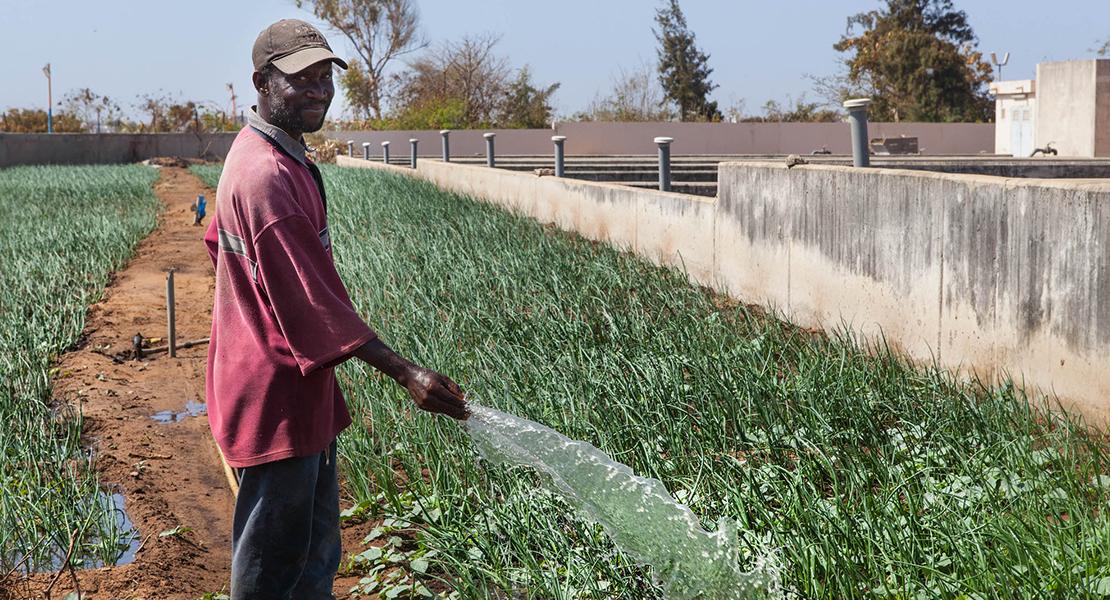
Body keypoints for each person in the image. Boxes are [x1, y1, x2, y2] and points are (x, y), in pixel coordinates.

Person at [203, 19, 469, 599]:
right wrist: (407, 372)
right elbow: (312, 304)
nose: (319, 90)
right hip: (276, 399)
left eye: (325, 76)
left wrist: (247, 310)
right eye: (301, 79)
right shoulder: (266, 177)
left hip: (293, 386)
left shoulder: (265, 152)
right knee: (274, 567)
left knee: (315, 550)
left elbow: (217, 245)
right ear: (262, 82)